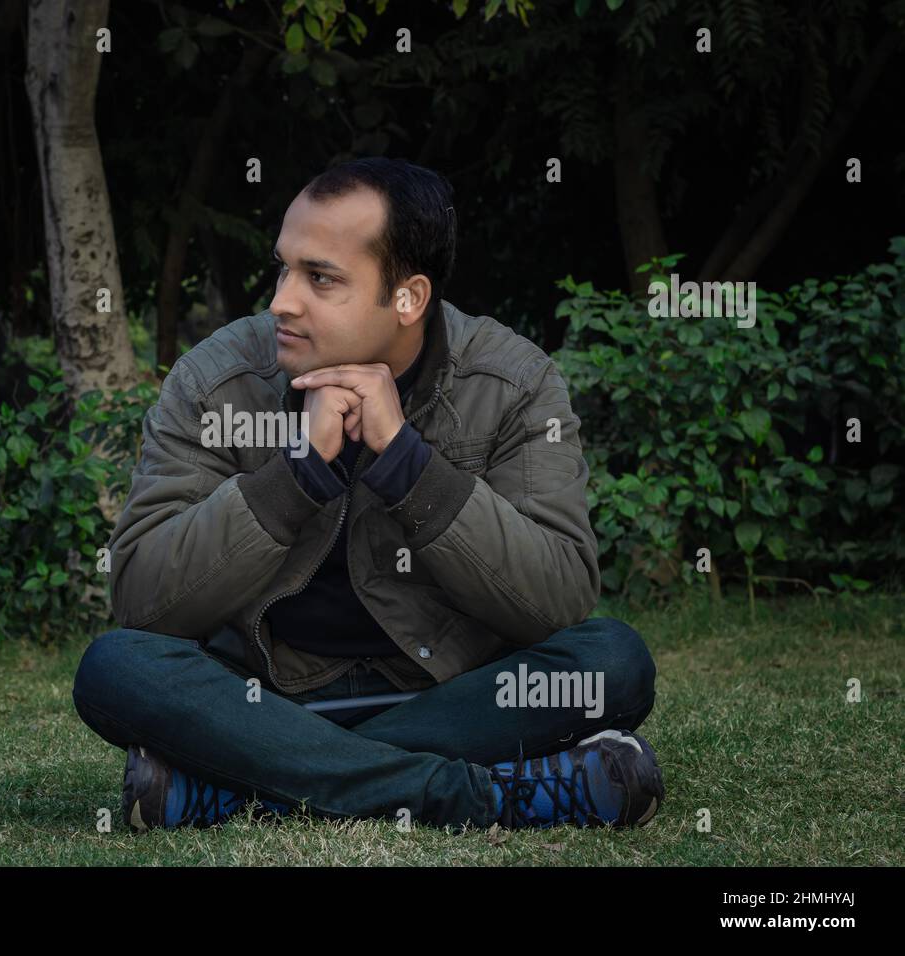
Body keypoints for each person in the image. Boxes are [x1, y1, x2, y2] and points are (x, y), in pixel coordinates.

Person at [72, 156, 664, 834]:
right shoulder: (216, 380)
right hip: (262, 696)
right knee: (116, 666)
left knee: (613, 662)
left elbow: (558, 599)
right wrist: (295, 474)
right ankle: (477, 794)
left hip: (452, 692)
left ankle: (244, 783)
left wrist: (410, 464)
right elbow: (143, 596)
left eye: (320, 278)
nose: (281, 301)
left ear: (408, 297)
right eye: (284, 268)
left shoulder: (514, 382)